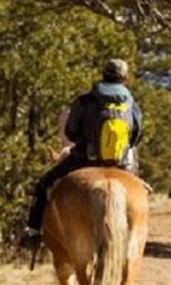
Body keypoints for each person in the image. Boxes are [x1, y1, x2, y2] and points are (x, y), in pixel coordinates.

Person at [25, 58, 143, 238]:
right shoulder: (132, 105)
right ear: (125, 78)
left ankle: (33, 231)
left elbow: (71, 131)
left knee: (43, 185)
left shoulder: (85, 101)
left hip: (84, 160)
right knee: (139, 192)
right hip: (121, 163)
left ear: (103, 74)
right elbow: (135, 137)